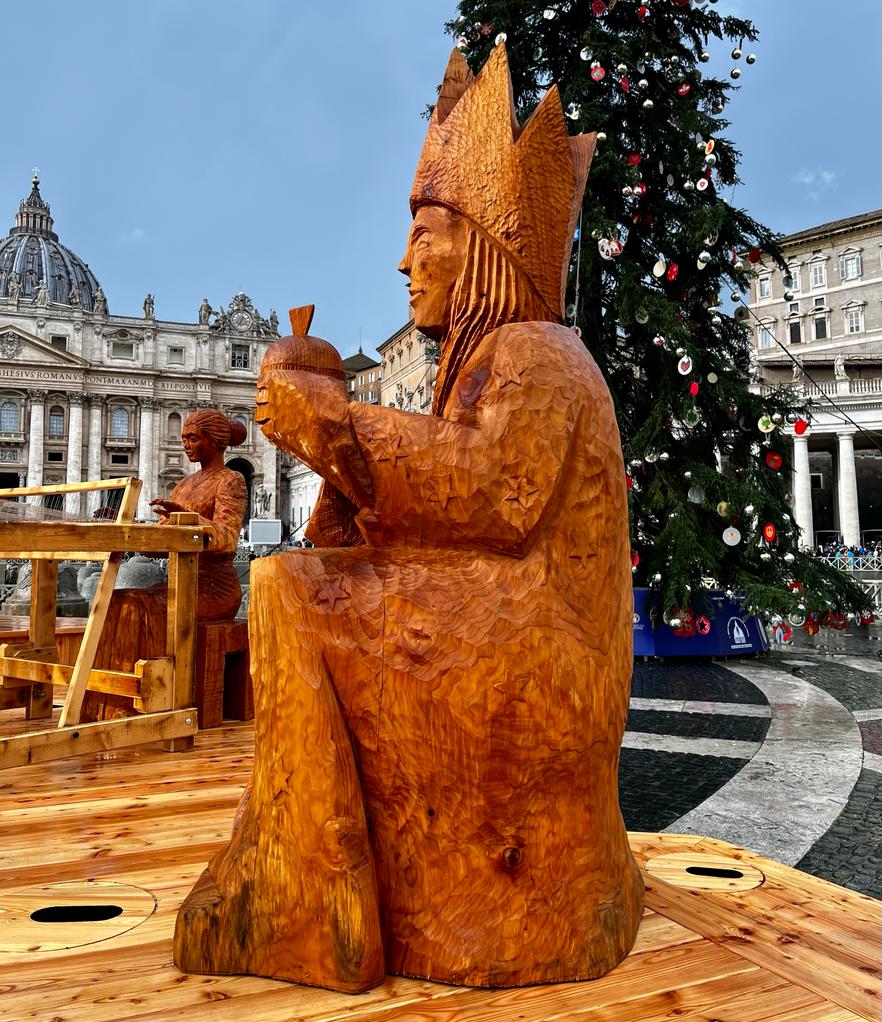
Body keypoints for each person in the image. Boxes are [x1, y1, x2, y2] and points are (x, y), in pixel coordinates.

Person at [177, 47, 642, 990]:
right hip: (514, 631)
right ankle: (314, 884)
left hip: (542, 663)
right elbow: (447, 504)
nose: (403, 260)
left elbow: (494, 495)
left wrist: (346, 426)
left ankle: (314, 900)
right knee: (297, 583)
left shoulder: (537, 352)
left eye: (426, 234)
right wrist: (341, 468)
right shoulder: (487, 360)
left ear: (484, 248)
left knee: (289, 595)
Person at [86, 410, 247, 719]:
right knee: (118, 599)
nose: (186, 444)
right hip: (179, 581)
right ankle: (109, 702)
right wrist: (127, 526)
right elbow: (162, 544)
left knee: (136, 605)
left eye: (193, 438)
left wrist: (189, 518)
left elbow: (227, 539)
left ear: (214, 441)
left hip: (215, 587)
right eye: (184, 438)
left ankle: (143, 702)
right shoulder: (184, 485)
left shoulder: (231, 480)